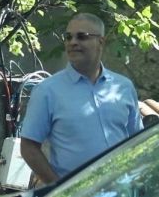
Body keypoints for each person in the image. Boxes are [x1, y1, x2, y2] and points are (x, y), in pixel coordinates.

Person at [20, 12, 143, 184]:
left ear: (101, 42)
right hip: (77, 196)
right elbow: (28, 147)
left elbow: (137, 142)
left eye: (82, 36)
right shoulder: (47, 91)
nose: (73, 42)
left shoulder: (123, 87)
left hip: (121, 191)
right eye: (68, 37)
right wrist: (58, 187)